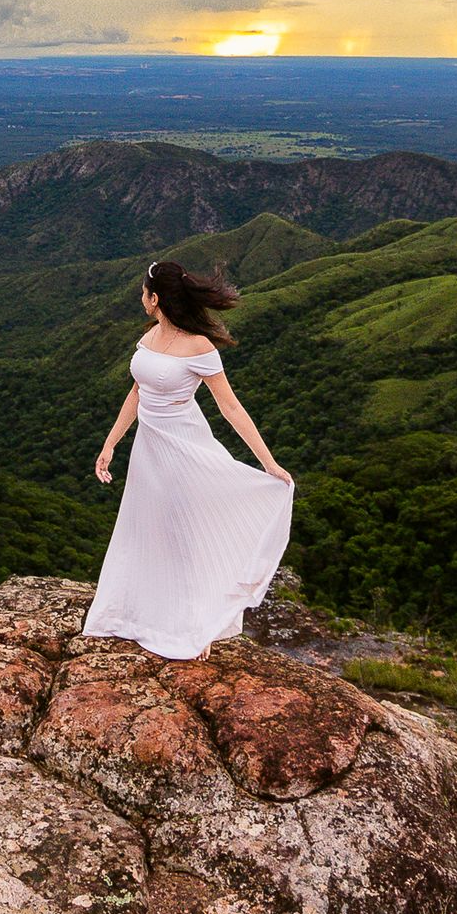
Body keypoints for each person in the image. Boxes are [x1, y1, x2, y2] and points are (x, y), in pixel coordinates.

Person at [82, 260, 295, 660]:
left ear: (155, 298)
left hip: (184, 447)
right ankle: (140, 614)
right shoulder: (149, 338)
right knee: (147, 527)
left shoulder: (200, 347)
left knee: (187, 532)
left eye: (143, 294)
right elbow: (137, 393)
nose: (140, 300)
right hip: (149, 449)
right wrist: (111, 443)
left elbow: (231, 408)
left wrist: (268, 463)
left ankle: (199, 624)